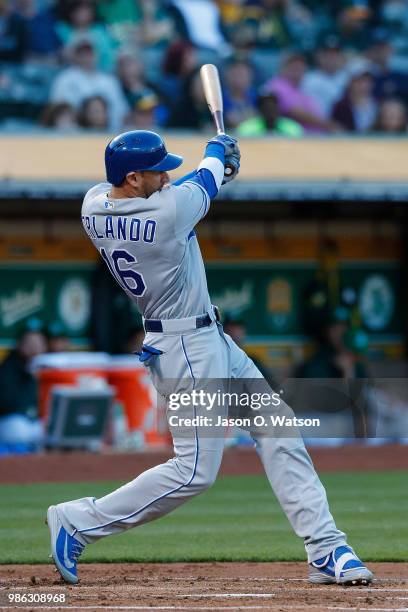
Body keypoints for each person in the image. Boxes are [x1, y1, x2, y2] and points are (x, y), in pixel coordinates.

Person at [46, 129, 373, 588]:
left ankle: (325, 547)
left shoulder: (93, 204)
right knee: (194, 471)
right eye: (159, 171)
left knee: (276, 426)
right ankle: (78, 521)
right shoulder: (167, 212)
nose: (166, 176)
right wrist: (220, 151)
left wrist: (218, 167)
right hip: (187, 351)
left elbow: (199, 184)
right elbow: (204, 179)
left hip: (206, 339)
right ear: (134, 177)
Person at [50, 38, 128, 130]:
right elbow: (58, 111)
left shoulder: (110, 80)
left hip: (107, 132)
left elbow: (120, 111)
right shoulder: (64, 79)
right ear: (75, 56)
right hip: (75, 133)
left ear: (96, 55)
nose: (86, 57)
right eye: (82, 53)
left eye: (90, 53)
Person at [263, 52, 338, 133]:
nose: (297, 71)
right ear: (283, 68)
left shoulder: (301, 88)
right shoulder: (277, 86)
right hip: (290, 139)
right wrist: (329, 124)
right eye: (293, 67)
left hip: (313, 138)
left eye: (300, 67)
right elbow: (295, 112)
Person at [0, 323, 47, 448]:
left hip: (35, 423)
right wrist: (27, 375)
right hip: (11, 421)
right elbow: (6, 404)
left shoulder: (48, 366)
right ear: (19, 345)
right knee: (18, 429)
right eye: (30, 343)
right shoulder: (8, 367)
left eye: (38, 342)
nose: (34, 347)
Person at [302, 34, 349, 119]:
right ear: (318, 55)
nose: (331, 57)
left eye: (335, 53)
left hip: (345, 129)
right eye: (327, 53)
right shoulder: (307, 79)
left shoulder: (349, 78)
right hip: (315, 129)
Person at [331, 63, 377, 132]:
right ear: (349, 82)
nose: (363, 85)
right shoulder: (340, 107)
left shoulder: (379, 103)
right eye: (358, 80)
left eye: (366, 80)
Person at [237, 90, 304, 136]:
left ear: (278, 107)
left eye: (273, 104)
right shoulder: (246, 129)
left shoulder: (292, 128)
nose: (269, 108)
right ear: (259, 109)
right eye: (264, 105)